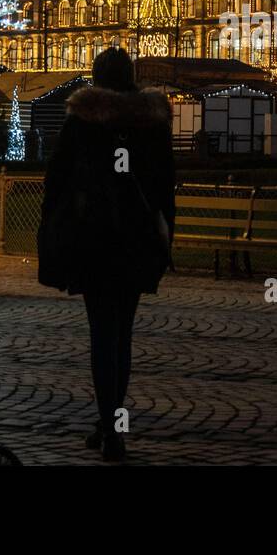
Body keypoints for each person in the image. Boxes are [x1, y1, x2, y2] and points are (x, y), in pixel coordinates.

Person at [38, 47, 175, 463]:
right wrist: (165, 234)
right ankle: (112, 423)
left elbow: (56, 178)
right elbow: (164, 183)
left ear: (96, 78)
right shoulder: (151, 121)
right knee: (123, 333)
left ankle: (109, 425)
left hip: (94, 237)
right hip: (136, 237)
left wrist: (53, 227)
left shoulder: (82, 120)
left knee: (102, 332)